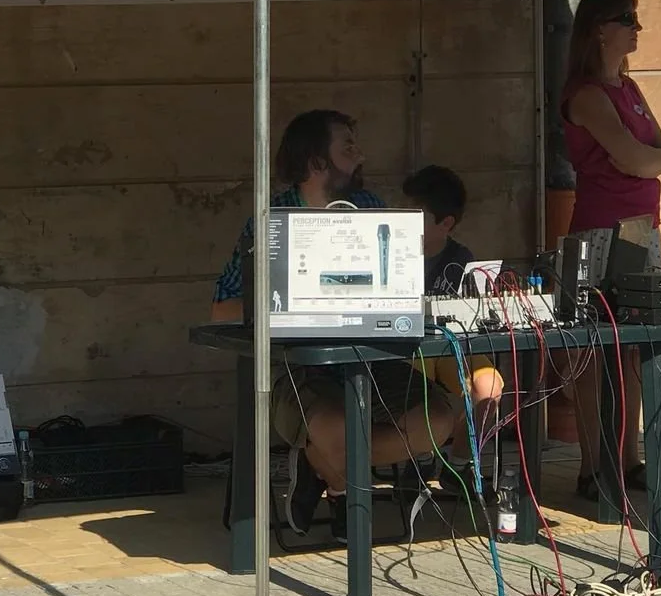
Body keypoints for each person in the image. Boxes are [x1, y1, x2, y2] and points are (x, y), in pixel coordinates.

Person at [212, 110, 454, 542]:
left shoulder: (374, 211)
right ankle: (340, 484)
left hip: (373, 361)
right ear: (315, 161)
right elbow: (221, 310)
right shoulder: (270, 221)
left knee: (437, 421)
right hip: (300, 366)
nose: (360, 155)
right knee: (335, 427)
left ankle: (317, 465)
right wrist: (287, 300)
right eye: (347, 146)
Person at [560, 0, 661, 502]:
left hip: (641, 229)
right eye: (626, 19)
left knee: (635, 347)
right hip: (599, 232)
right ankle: (593, 464)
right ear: (599, 30)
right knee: (592, 350)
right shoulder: (587, 94)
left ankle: (629, 455)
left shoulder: (630, 87)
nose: (637, 28)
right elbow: (639, 158)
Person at [403, 164, 505, 498]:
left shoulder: (462, 259)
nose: (405, 221)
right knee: (414, 376)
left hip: (452, 345)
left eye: (415, 215)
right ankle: (419, 457)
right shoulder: (396, 253)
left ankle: (461, 463)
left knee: (489, 384)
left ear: (445, 223)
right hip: (412, 348)